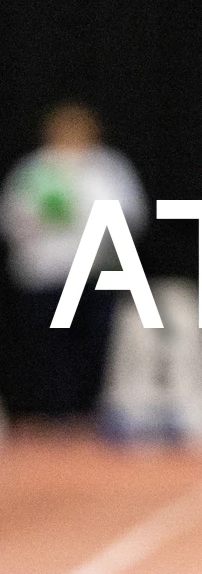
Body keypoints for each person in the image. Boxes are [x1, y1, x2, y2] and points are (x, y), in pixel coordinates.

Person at [0, 102, 147, 422]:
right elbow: (12, 220)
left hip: (96, 274)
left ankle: (90, 412)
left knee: (96, 346)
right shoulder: (33, 171)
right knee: (50, 348)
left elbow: (132, 214)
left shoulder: (109, 168)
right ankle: (53, 413)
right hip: (46, 278)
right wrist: (43, 219)